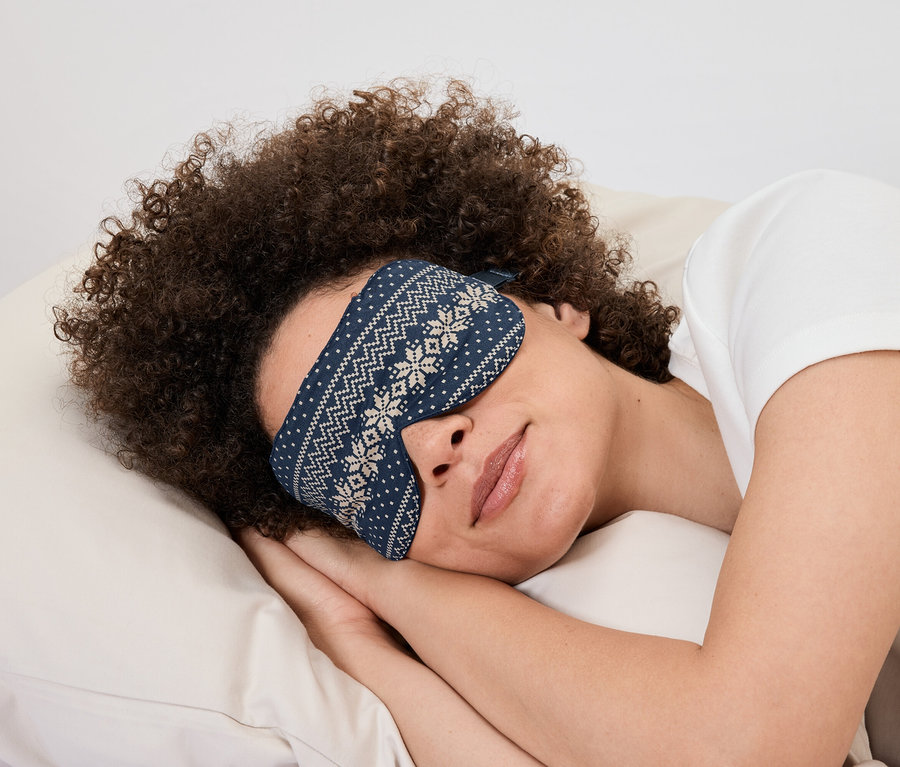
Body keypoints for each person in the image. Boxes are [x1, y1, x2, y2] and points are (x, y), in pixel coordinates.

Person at [54, 80, 900, 766]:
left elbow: (745, 748)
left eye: (419, 352)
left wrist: (388, 582)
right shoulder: (593, 636)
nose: (426, 444)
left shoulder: (801, 258)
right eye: (354, 467)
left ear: (551, 301)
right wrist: (365, 639)